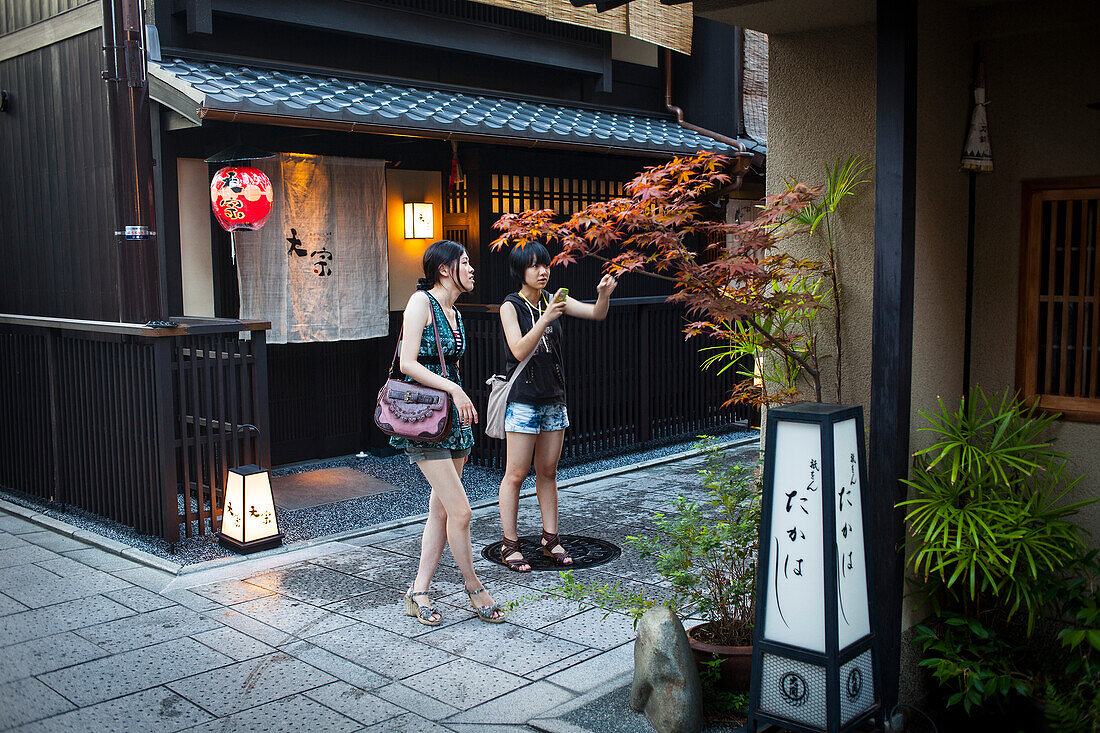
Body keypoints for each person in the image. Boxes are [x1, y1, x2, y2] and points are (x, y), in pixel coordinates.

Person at [391, 240, 504, 624]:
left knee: (440, 510)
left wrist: (457, 393)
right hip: (424, 420)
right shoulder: (421, 302)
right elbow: (407, 363)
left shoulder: (455, 311)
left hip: (452, 420)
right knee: (461, 511)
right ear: (444, 269)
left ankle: (418, 591)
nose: (473, 269)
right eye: (466, 263)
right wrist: (455, 389)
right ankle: (475, 588)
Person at [497, 242, 617, 572]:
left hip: (554, 399)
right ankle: (510, 544)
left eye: (545, 265)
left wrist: (603, 293)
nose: (542, 271)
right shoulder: (511, 306)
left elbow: (596, 313)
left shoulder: (554, 299)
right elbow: (519, 350)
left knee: (548, 472)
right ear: (519, 271)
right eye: (534, 266)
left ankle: (551, 539)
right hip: (523, 400)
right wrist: (546, 318)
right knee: (516, 474)